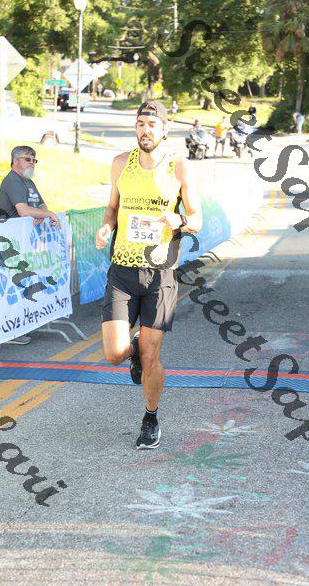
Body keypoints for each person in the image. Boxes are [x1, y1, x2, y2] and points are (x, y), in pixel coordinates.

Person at [95, 101, 202, 450]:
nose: (145, 130)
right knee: (115, 353)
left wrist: (180, 220)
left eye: (152, 125)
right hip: (122, 269)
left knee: (152, 355)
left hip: (160, 274)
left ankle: (151, 417)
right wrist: (106, 226)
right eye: (140, 124)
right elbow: (112, 207)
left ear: (164, 130)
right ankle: (135, 352)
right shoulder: (120, 163)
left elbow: (197, 218)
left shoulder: (178, 165)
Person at [0, 145, 61, 345]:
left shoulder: (29, 182)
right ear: (15, 161)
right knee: (15, 285)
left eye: (34, 160)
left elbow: (41, 205)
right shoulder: (13, 181)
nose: (32, 163)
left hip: (27, 242)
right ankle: (11, 332)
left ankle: (26, 323)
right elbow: (24, 210)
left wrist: (42, 214)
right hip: (12, 242)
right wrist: (47, 215)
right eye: (27, 159)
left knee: (28, 281)